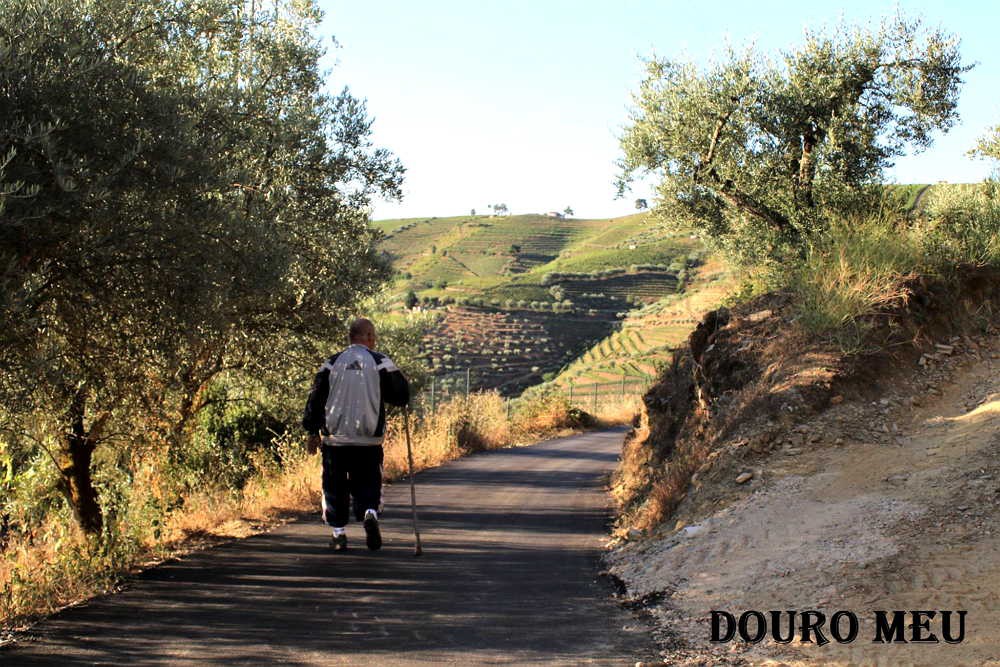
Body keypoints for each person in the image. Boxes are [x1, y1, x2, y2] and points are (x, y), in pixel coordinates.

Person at [302, 318, 409, 551]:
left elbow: (316, 398)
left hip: (335, 440)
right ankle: (369, 512)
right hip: (369, 440)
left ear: (351, 337)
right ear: (369, 336)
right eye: (374, 336)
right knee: (369, 482)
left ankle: (338, 535)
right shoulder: (380, 362)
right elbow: (401, 395)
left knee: (334, 486)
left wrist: (312, 430)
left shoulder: (331, 364)